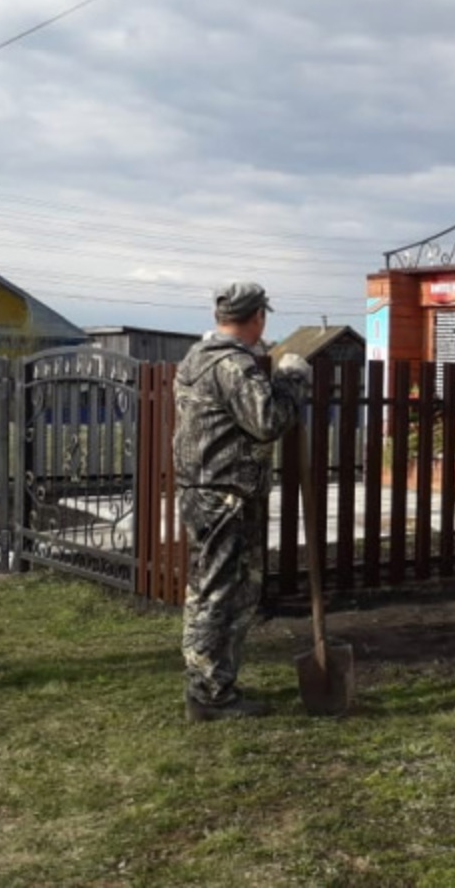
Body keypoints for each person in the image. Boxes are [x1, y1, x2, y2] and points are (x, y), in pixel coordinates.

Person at [173, 282, 311, 721]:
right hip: (225, 494)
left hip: (206, 490)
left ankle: (214, 682)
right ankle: (209, 695)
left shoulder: (197, 359)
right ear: (258, 317)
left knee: (221, 590)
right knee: (218, 593)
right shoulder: (233, 366)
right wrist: (291, 378)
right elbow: (267, 421)